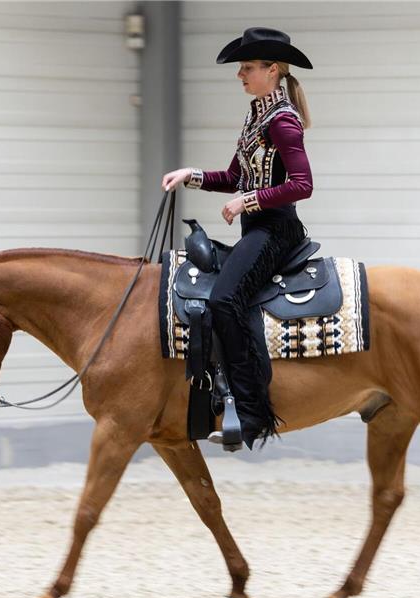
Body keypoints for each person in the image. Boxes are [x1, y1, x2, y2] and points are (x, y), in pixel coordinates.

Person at [161, 27, 314, 450]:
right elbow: (233, 177)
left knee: (224, 301)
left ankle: (250, 411)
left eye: (248, 68)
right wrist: (189, 175)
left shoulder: (282, 121)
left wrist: (248, 202)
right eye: (242, 68)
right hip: (258, 228)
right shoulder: (257, 116)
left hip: (275, 230)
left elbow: (302, 184)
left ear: (273, 70)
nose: (240, 75)